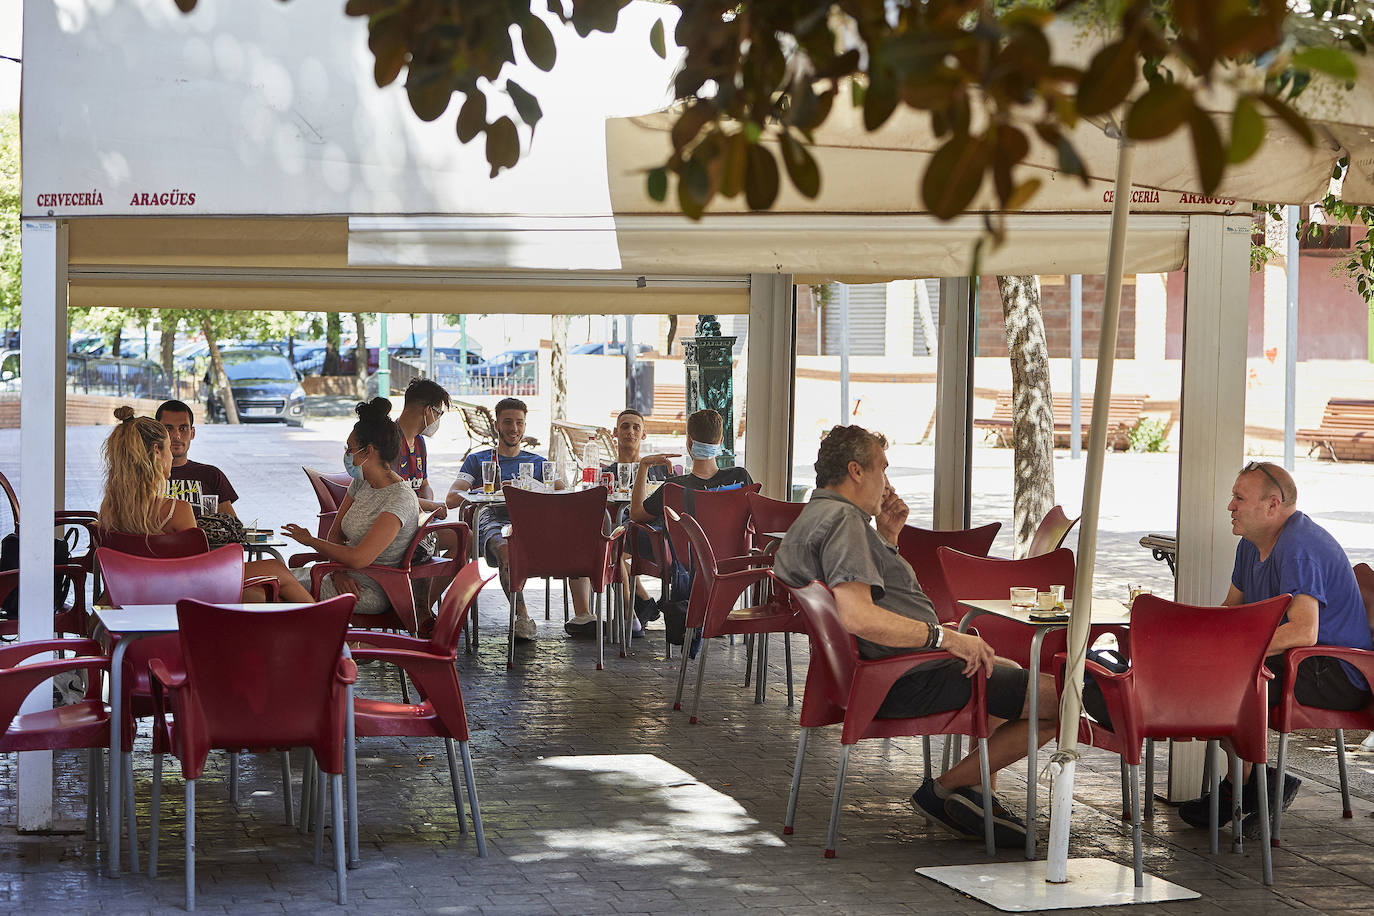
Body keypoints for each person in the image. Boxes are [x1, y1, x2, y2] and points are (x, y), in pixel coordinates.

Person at [772, 424, 1057, 848]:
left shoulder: (816, 516)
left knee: (1005, 668)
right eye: (882, 469)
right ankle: (944, 790)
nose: (887, 482)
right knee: (1063, 700)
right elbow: (857, 615)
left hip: (872, 673)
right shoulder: (844, 522)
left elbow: (864, 597)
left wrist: (887, 537)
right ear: (856, 471)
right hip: (901, 678)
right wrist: (945, 639)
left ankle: (977, 793)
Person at [1174, 461, 1373, 835]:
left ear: (1272, 505)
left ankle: (1246, 787)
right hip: (1301, 662)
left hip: (1336, 671)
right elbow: (1231, 612)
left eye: (1238, 498)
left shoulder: (1300, 546)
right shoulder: (1251, 545)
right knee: (1208, 676)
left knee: (1227, 683)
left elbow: (1303, 631)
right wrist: (1188, 641)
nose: (1229, 506)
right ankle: (1256, 784)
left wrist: (1230, 652)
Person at [100, 406, 309, 602]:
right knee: (276, 569)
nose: (171, 454)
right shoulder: (176, 510)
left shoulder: (109, 509)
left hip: (133, 593)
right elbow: (201, 571)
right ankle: (332, 625)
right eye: (167, 447)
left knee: (265, 593)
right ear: (156, 451)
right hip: (182, 594)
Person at [446, 397, 583, 642]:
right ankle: (522, 617)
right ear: (497, 425)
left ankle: (585, 615)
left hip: (533, 523)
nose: (514, 428)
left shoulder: (539, 463)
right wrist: (488, 489)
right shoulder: (478, 460)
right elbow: (452, 498)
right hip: (494, 520)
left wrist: (530, 487)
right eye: (508, 422)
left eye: (519, 422)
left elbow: (565, 496)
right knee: (506, 549)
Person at [281, 397, 423, 615]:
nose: (347, 454)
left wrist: (310, 541)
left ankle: (325, 639)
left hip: (369, 589)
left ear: (369, 451)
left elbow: (359, 558)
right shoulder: (361, 482)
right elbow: (335, 535)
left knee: (269, 578)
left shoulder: (399, 498)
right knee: (260, 585)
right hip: (338, 576)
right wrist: (338, 573)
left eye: (350, 448)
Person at [393, 377, 459, 626]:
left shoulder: (419, 443)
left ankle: (422, 608)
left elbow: (424, 485)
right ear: (427, 410)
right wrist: (432, 508)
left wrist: (428, 505)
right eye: (439, 412)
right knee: (425, 544)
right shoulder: (390, 442)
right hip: (395, 527)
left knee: (463, 539)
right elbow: (394, 495)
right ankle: (415, 610)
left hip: (419, 520)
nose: (438, 420)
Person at [602, 408, 672, 631]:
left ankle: (637, 609)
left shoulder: (658, 468)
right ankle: (637, 607)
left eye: (636, 427)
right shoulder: (607, 473)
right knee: (610, 550)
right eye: (624, 426)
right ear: (615, 432)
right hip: (625, 528)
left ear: (643, 434)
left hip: (656, 532)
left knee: (613, 550)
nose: (630, 432)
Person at [155, 399, 240, 516]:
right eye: (168, 428)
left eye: (183, 428)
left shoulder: (211, 475)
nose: (177, 436)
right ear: (156, 433)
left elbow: (233, 528)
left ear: (192, 433)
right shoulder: (140, 475)